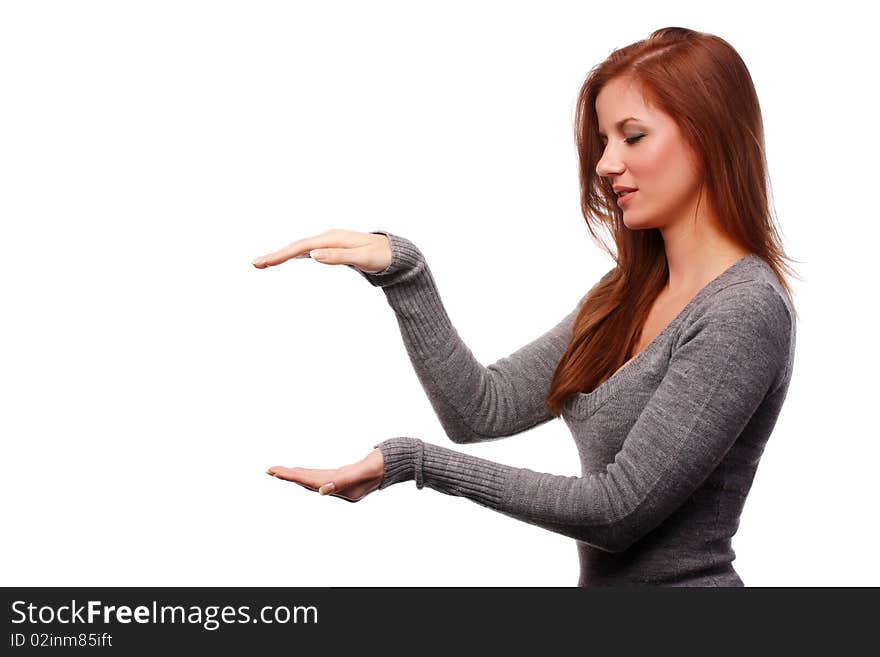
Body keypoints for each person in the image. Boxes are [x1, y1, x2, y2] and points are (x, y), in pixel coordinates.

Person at [256, 26, 799, 586]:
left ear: (709, 137)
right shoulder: (624, 295)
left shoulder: (743, 311)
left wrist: (416, 463)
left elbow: (618, 511)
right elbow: (480, 411)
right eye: (604, 142)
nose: (606, 164)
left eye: (632, 136)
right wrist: (406, 273)